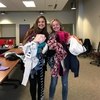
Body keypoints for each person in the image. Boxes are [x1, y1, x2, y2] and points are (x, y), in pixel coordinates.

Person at [47, 19, 79, 100]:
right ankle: (51, 98)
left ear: (60, 25)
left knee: (64, 83)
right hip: (54, 63)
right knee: (53, 82)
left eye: (57, 24)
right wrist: (56, 48)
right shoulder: (50, 36)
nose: (55, 26)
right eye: (53, 25)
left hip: (65, 62)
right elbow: (48, 51)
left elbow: (71, 48)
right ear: (52, 27)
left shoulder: (66, 35)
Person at [22, 16, 49, 100]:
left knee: (41, 83)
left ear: (45, 23)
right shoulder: (31, 32)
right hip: (31, 63)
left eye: (43, 22)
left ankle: (40, 98)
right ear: (37, 23)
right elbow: (24, 44)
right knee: (33, 83)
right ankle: (33, 98)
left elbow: (48, 49)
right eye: (39, 22)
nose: (41, 23)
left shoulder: (46, 34)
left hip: (41, 63)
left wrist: (43, 50)